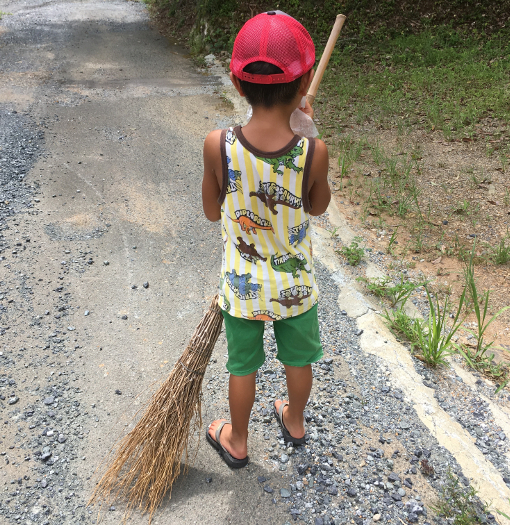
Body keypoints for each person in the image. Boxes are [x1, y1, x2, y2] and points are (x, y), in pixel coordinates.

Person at [201, 10, 331, 469]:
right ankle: (294, 421)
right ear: (306, 81)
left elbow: (211, 209)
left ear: (238, 84)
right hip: (294, 285)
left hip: (241, 284)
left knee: (243, 365)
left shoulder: (217, 143)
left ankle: (238, 440)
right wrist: (308, 134)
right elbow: (317, 207)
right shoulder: (314, 150)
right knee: (298, 360)